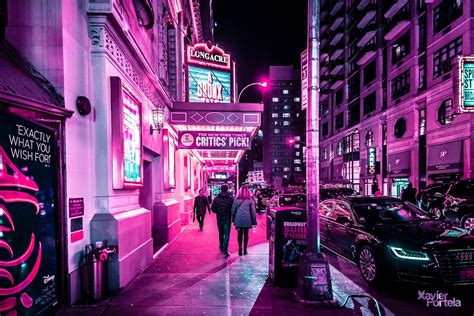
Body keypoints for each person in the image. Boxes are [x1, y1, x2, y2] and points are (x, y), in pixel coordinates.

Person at [231, 185, 257, 256]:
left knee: (239, 234)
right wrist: (254, 222)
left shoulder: (236, 199)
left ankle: (240, 248)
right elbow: (253, 212)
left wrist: (233, 220)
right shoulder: (250, 200)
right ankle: (245, 250)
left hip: (238, 219)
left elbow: (233, 210)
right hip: (247, 220)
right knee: (246, 234)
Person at [211, 184, 234, 258]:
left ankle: (221, 246)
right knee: (227, 234)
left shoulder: (216, 199)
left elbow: (213, 209)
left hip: (219, 218)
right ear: (227, 189)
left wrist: (218, 211)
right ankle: (225, 249)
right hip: (227, 219)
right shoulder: (230, 199)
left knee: (221, 233)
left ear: (220, 189)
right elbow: (232, 209)